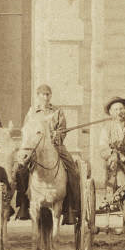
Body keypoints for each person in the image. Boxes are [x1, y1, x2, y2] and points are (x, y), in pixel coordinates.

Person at [16, 84, 79, 224]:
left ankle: (71, 208)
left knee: (73, 170)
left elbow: (63, 129)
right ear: (38, 96)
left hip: (56, 146)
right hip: (36, 147)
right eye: (43, 94)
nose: (45, 97)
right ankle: (24, 205)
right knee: (21, 170)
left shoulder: (57, 111)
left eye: (48, 94)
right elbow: (27, 130)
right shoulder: (32, 112)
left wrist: (58, 134)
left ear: (51, 96)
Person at [98, 96, 125, 199]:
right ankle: (111, 194)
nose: (119, 112)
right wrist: (113, 153)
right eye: (116, 109)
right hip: (117, 162)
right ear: (111, 113)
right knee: (113, 160)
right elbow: (103, 148)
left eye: (121, 109)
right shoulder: (107, 128)